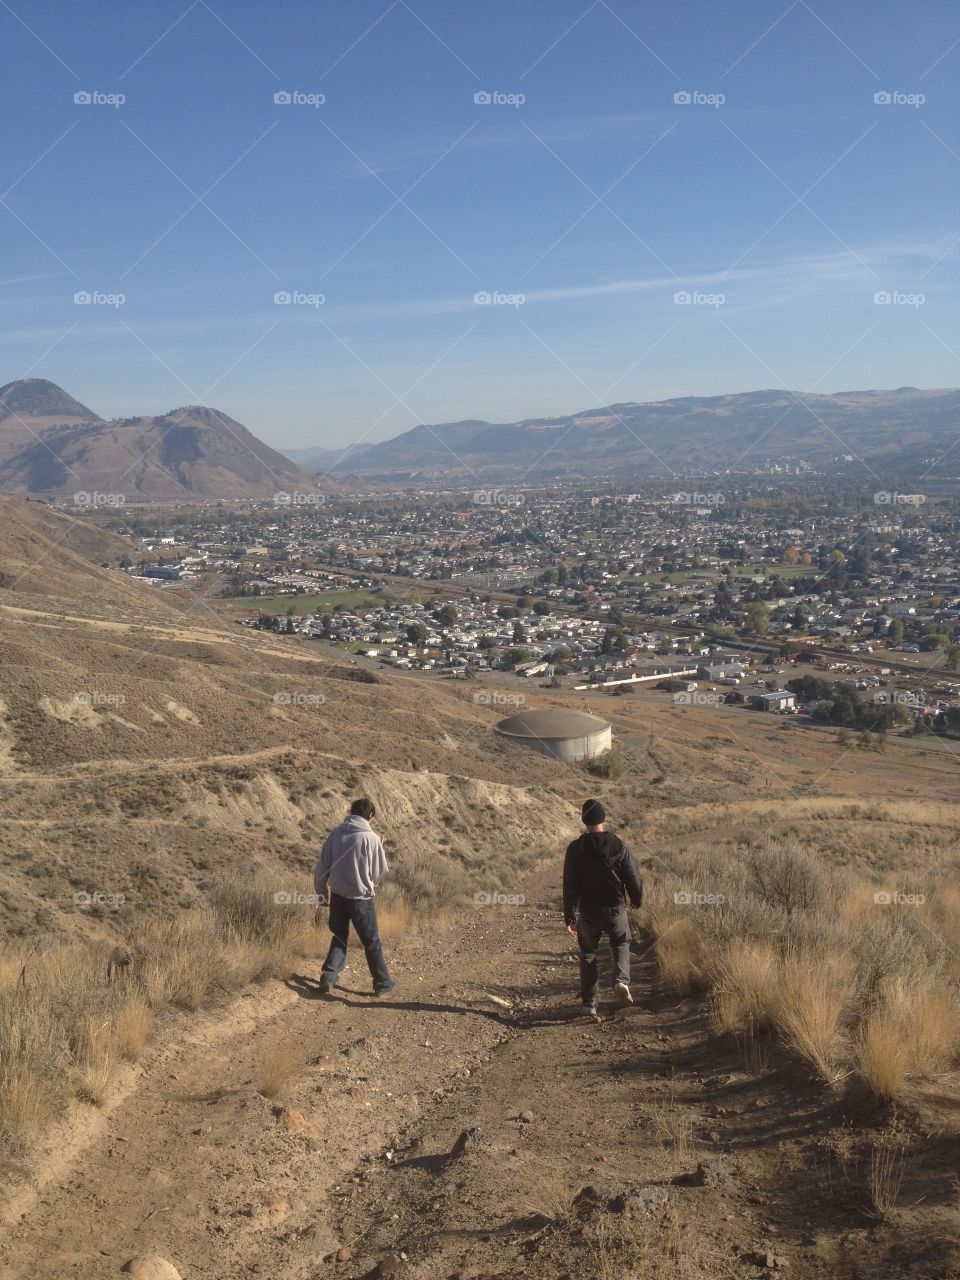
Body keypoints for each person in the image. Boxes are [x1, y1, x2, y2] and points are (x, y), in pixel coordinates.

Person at [563, 798, 643, 1016]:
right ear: (603, 818)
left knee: (588, 953)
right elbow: (632, 876)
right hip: (615, 909)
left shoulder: (575, 848)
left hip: (588, 914)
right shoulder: (618, 845)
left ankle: (589, 1004)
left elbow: (569, 884)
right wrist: (636, 899)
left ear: (584, 820)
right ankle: (621, 981)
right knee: (621, 942)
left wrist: (569, 917)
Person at [314, 798, 395, 996]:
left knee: (339, 936)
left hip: (338, 896)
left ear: (351, 812)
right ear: (371, 816)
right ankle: (383, 983)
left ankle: (329, 976)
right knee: (371, 941)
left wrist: (322, 893)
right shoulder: (372, 838)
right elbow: (379, 872)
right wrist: (379, 848)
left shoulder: (336, 834)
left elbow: (322, 868)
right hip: (361, 899)